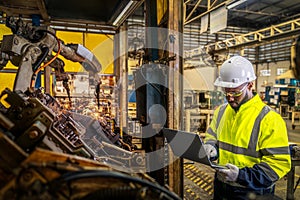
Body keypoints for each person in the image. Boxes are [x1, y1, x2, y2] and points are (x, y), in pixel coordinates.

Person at [203, 55, 291, 199]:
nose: (230, 97)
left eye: (235, 92)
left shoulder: (269, 119)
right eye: (226, 92)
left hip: (252, 192)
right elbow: (212, 135)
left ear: (250, 85)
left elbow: (277, 165)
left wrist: (241, 176)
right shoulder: (222, 111)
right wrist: (211, 147)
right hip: (222, 187)